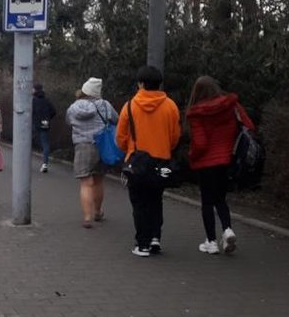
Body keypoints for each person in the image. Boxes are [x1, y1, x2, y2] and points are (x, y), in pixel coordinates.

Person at [117, 65, 182, 257]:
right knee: (156, 200)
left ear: (140, 84)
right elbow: (175, 136)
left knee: (139, 203)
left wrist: (129, 150)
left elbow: (120, 136)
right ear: (159, 84)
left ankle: (142, 243)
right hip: (161, 161)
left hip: (137, 162)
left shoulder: (129, 106)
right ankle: (155, 238)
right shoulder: (170, 106)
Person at [186, 76, 254, 255]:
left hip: (206, 163)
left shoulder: (197, 113)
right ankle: (227, 230)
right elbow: (248, 126)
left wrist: (192, 156)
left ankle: (211, 241)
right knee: (221, 199)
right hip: (227, 160)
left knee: (207, 202)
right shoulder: (232, 106)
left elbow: (200, 144)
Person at [66, 77, 118, 228]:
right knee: (98, 180)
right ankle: (97, 212)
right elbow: (117, 119)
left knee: (86, 182)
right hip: (101, 146)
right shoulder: (105, 105)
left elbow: (68, 122)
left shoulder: (74, 107)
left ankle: (87, 217)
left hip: (82, 146)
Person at [32, 83, 57, 172]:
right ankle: (45, 163)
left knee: (27, 142)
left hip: (34, 124)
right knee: (45, 144)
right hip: (45, 123)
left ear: (34, 90)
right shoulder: (47, 100)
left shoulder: (33, 101)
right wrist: (47, 118)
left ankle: (24, 162)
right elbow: (54, 111)